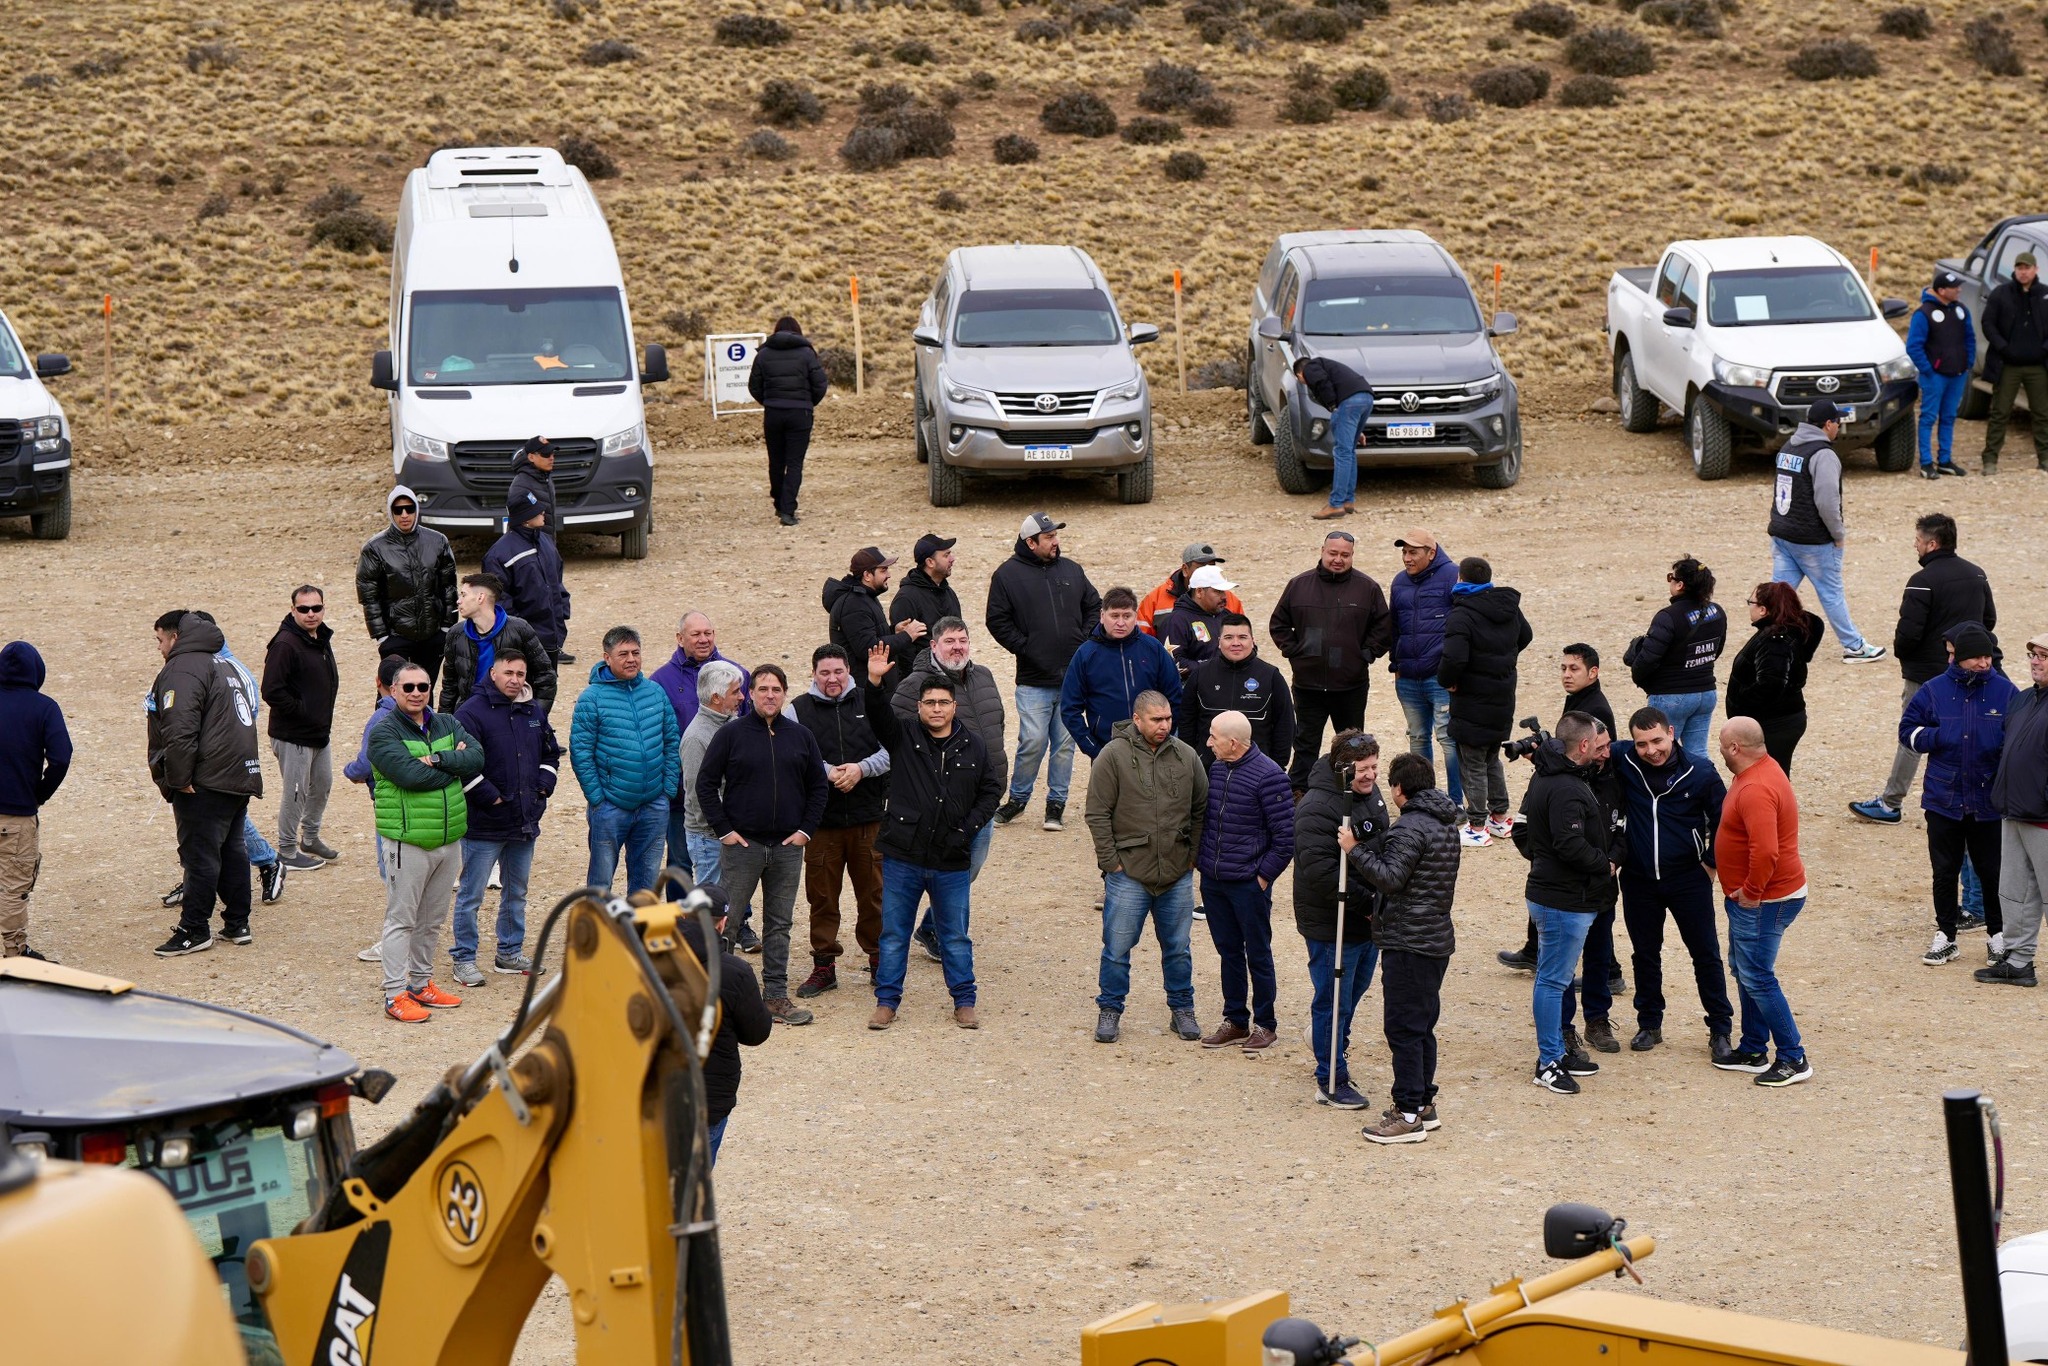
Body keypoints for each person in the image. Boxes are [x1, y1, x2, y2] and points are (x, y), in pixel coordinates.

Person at [862, 645, 1003, 1029]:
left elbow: (991, 791)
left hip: (951, 858)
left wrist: (967, 829)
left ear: (954, 706)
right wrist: (874, 680)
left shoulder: (974, 745)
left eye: (943, 702)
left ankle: (964, 1001)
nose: (936, 709)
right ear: (919, 707)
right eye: (929, 703)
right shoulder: (902, 736)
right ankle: (886, 1002)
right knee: (894, 934)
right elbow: (877, 714)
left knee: (954, 936)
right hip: (903, 856)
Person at [697, 663, 828, 1025]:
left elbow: (818, 787)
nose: (770, 695)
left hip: (788, 848)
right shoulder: (731, 734)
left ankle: (775, 996)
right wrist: (724, 830)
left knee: (779, 924)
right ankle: (720, 997)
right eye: (763, 689)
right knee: (727, 922)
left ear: (785, 694)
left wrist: (805, 831)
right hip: (743, 847)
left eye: (776, 689)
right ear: (751, 694)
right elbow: (705, 783)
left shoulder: (801, 736)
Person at [1345, 750, 1461, 1144]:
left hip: (1408, 941)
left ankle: (1408, 1112)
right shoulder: (1445, 823)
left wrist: (1354, 849)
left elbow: (1390, 878)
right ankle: (1423, 1104)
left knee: (1404, 1029)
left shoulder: (1409, 828)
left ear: (1398, 789)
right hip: (1434, 938)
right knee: (1422, 1026)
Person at [1852, 514, 1997, 825]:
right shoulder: (1977, 574)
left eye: (1918, 540)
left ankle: (1891, 803)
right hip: (1972, 673)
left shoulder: (1922, 581)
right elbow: (1988, 621)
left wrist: (1906, 657)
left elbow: (1908, 634)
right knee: (1973, 733)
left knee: (1913, 734)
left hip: (1925, 675)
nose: (1915, 546)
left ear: (1932, 544)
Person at [1086, 691, 1208, 1044]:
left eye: (1168, 718)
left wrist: (1192, 856)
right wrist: (1111, 863)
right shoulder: (1112, 756)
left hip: (1176, 871)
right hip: (1129, 874)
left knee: (1178, 949)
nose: (1164, 725)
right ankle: (1110, 1009)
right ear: (1137, 719)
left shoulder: (1186, 756)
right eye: (1156, 719)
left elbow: (1201, 808)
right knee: (1117, 949)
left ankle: (1182, 1009)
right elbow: (1097, 812)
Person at [1610, 707, 1732, 1058]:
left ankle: (1720, 1029)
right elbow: (1588, 746)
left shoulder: (1700, 771)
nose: (1651, 750)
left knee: (1705, 954)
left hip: (1688, 879)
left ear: (1672, 733)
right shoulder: (1624, 759)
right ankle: (1649, 1023)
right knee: (1645, 954)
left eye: (1657, 741)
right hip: (1639, 880)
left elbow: (1724, 819)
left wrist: (1711, 864)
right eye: (1642, 744)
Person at [369, 661, 483, 1022]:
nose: (417, 692)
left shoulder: (446, 722)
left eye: (423, 686)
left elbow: (477, 758)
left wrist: (435, 759)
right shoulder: (383, 733)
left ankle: (420, 984)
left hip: (448, 839)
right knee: (402, 919)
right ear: (393, 690)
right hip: (409, 841)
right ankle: (394, 994)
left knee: (432, 919)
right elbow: (410, 776)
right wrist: (454, 767)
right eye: (409, 687)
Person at [148, 612, 264, 957]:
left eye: (160, 640)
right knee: (232, 850)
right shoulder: (224, 664)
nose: (159, 649)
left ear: (175, 637)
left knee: (200, 856)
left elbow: (179, 728)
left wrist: (178, 779)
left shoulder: (183, 668)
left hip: (205, 779)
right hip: (238, 774)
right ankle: (237, 923)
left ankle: (194, 929)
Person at [1901, 622, 2015, 967]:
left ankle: (1997, 936)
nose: (1984, 662)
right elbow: (1907, 732)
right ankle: (1946, 936)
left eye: (1987, 656)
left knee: (1992, 872)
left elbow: (2017, 739)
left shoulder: (2006, 691)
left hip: (1987, 801)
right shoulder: (1933, 690)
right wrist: (1939, 737)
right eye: (1977, 657)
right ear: (1959, 658)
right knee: (1944, 872)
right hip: (1943, 800)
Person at [892, 618, 1007, 958]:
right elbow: (894, 739)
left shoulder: (984, 676)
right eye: (949, 641)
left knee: (969, 869)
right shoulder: (915, 686)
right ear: (934, 646)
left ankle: (931, 927)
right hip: (942, 802)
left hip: (984, 798)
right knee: (952, 872)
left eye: (962, 640)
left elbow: (996, 724)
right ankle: (948, 939)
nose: (958, 647)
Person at [1517, 712, 1616, 1095]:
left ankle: (1557, 1052)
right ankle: (1549, 1062)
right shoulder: (1567, 787)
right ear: (1585, 745)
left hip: (1557, 895)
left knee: (1553, 977)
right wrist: (1604, 865)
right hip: (1564, 900)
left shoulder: (1550, 776)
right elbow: (1569, 843)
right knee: (1552, 980)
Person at [450, 653, 559, 987]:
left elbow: (550, 753)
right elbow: (461, 765)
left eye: (520, 674)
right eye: (508, 672)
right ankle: (463, 959)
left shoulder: (533, 711)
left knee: (516, 892)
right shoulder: (470, 713)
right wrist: (491, 797)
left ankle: (509, 953)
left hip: (524, 821)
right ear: (493, 673)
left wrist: (543, 787)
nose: (515, 679)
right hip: (484, 825)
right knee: (471, 895)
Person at [1291, 731, 1388, 1108]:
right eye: (1363, 769)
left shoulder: (1369, 795)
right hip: (1332, 922)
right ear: (1343, 768)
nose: (1371, 775)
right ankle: (1331, 1077)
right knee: (1334, 1002)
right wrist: (1368, 902)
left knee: (1352, 994)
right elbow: (1321, 871)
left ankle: (1326, 1042)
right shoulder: (1316, 807)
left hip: (1367, 918)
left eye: (1375, 767)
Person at [1713, 717, 1812, 1087]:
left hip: (1765, 901)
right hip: (1762, 898)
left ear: (1735, 748)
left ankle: (1793, 1057)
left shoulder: (1755, 787)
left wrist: (1752, 892)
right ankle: (1754, 1048)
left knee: (1757, 975)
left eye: (1722, 746)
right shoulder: (1762, 770)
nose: (1720, 752)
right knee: (1746, 970)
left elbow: (1767, 851)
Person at [986, 512, 1099, 831]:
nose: (1055, 542)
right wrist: (1026, 647)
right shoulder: (1006, 575)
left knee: (1064, 746)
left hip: (1073, 680)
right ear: (1030, 542)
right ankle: (1018, 800)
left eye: (1055, 536)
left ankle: (1056, 805)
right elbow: (997, 620)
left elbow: (1094, 605)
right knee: (1033, 741)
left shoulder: (1072, 570)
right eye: (1049, 537)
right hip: (1034, 680)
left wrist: (1084, 640)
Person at [791, 645, 890, 999]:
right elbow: (793, 755)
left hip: (868, 820)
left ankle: (880, 961)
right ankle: (824, 966)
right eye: (824, 673)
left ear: (848, 670)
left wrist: (860, 770)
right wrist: (828, 772)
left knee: (874, 895)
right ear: (813, 674)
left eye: (838, 671)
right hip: (821, 823)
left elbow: (892, 749)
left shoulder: (871, 701)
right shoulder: (797, 710)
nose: (832, 679)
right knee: (821, 897)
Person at [1193, 711, 1295, 1053]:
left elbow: (1285, 839)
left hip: (1248, 885)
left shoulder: (1270, 776)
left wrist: (1262, 878)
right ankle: (1235, 1020)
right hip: (1215, 880)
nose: (1209, 742)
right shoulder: (1217, 768)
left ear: (1233, 743)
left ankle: (1266, 1024)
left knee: (1258, 953)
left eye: (1214, 737)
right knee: (1228, 951)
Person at [1269, 531, 1394, 793]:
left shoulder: (1367, 588)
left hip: (1350, 685)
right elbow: (1278, 624)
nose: (1338, 559)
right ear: (1322, 551)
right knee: (1305, 744)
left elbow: (1384, 628)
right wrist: (1295, 652)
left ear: (1352, 555)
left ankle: (1351, 793)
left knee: (1353, 745)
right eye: (1333, 553)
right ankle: (1299, 794)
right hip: (1308, 684)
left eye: (1345, 555)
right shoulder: (1299, 585)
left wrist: (1365, 655)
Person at [1767, 400, 1887, 664]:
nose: (1839, 427)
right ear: (1828, 424)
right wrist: (1838, 535)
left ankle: (1767, 641)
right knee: (1831, 593)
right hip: (1812, 540)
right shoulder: (1823, 454)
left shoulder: (1788, 447)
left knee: (1779, 594)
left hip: (1783, 533)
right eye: (1838, 422)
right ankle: (1854, 646)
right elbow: (1827, 502)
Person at [569, 626, 679, 897]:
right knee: (601, 882)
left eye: (635, 653)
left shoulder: (655, 692)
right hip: (610, 807)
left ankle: (639, 926)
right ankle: (598, 925)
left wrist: (667, 791)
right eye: (623, 654)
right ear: (607, 658)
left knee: (647, 884)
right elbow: (581, 752)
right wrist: (597, 798)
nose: (631, 659)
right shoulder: (591, 699)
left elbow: (671, 741)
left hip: (653, 804)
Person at [1438, 555, 1533, 847]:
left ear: (1461, 579)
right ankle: (1500, 818)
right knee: (1491, 758)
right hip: (1501, 697)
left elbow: (1454, 658)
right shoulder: (1507, 607)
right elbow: (1526, 635)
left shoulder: (1462, 613)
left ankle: (1477, 825)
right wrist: (1502, 659)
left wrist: (1446, 680)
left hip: (1472, 700)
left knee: (1473, 763)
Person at [679, 884, 772, 1164]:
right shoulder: (735, 972)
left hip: (650, 1099)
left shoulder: (643, 960)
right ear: (722, 923)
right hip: (708, 1100)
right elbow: (756, 1033)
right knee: (692, 1184)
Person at [651, 611, 748, 879]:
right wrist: (670, 781)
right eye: (696, 634)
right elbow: (656, 737)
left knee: (732, 872)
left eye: (708, 633)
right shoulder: (660, 682)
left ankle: (729, 910)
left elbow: (748, 725)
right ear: (680, 638)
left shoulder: (737, 674)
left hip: (731, 796)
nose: (704, 639)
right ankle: (681, 908)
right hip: (682, 794)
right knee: (680, 863)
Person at [1981, 631, 2048, 987]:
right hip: (2014, 810)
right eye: (2033, 655)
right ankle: (2019, 961)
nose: (2036, 661)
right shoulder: (2023, 699)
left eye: (2044, 656)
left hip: (2043, 817)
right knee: (2014, 891)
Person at [260, 585, 341, 874]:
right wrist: (303, 712)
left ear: (323, 608)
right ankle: (286, 850)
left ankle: (309, 838)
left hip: (319, 733)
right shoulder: (285, 644)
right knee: (296, 792)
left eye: (316, 608)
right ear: (293, 609)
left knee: (322, 784)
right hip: (293, 735)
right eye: (304, 609)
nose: (311, 614)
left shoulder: (320, 638)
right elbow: (271, 690)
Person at [0, 642, 71, 960]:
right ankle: (14, 953)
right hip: (17, 816)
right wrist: (39, 794)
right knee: (13, 885)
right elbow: (61, 757)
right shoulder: (44, 708)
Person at [1061, 586, 1183, 765]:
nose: (1120, 622)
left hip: (1152, 750)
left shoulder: (1153, 649)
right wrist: (1093, 749)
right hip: (1106, 751)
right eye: (1114, 615)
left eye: (1127, 616)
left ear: (1135, 616)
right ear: (1102, 616)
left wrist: (1164, 737)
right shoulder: (1086, 654)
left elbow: (1175, 696)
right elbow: (1069, 708)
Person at [679, 659, 754, 950]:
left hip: (727, 832)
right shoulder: (697, 737)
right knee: (709, 907)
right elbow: (698, 794)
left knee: (727, 901)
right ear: (716, 697)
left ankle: (723, 950)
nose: (742, 697)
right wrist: (722, 830)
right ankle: (704, 955)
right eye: (736, 691)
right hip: (710, 836)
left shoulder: (732, 725)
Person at [355, 485, 460, 688]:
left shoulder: (438, 541)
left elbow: (448, 587)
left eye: (409, 508)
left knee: (424, 691)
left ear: (416, 510)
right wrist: (382, 636)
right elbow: (368, 594)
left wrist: (446, 627)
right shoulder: (375, 548)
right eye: (398, 510)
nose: (404, 515)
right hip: (395, 636)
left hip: (433, 634)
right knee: (392, 692)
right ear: (390, 512)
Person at [1625, 557, 1726, 759]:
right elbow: (1716, 650)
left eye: (1671, 577)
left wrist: (1641, 679)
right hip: (1706, 691)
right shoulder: (1717, 612)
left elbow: (1647, 660)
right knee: (1698, 754)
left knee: (1661, 754)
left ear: (1680, 585)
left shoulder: (1668, 616)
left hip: (1672, 694)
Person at [344, 653, 410, 962]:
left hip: (391, 807)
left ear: (378, 683)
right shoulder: (427, 714)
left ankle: (396, 941)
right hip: (425, 806)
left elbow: (364, 764)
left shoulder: (381, 719)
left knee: (393, 873)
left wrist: (349, 771)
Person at [1389, 530, 1461, 806]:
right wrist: (1396, 665)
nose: (1407, 558)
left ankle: (1455, 803)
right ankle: (1422, 801)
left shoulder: (1453, 576)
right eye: (1404, 552)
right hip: (1408, 677)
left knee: (1448, 739)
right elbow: (1394, 627)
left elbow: (1463, 628)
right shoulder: (1399, 582)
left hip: (1440, 678)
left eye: (1413, 552)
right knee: (1418, 738)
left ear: (1431, 553)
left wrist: (1454, 671)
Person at [1724, 583, 1825, 774]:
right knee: (1772, 776)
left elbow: (1771, 684)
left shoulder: (1774, 642)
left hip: (1773, 725)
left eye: (1751, 602)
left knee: (1767, 778)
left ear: (1763, 610)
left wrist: (1742, 700)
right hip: (1782, 720)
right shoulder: (1788, 630)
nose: (1749, 607)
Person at [1179, 613, 1295, 766]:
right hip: (1208, 769)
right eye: (1228, 637)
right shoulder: (1201, 675)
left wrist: (1276, 765)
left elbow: (1285, 725)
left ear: (1252, 641)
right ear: (1219, 642)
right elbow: (1186, 721)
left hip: (1256, 769)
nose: (1236, 643)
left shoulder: (1271, 676)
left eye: (1242, 637)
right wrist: (1192, 761)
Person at [747, 314, 829, 525]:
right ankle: (788, 510)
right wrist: (808, 403)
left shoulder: (763, 354)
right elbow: (820, 384)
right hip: (800, 414)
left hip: (773, 413)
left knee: (776, 461)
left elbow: (754, 386)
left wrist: (769, 401)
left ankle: (778, 503)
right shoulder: (807, 353)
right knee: (794, 463)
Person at [439, 573, 558, 714]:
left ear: (480, 597)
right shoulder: (456, 634)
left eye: (463, 595)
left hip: (511, 715)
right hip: (470, 716)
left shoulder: (520, 629)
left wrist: (535, 716)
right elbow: (449, 685)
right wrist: (444, 723)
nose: (458, 601)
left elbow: (546, 676)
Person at [1979, 250, 2048, 473]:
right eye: (2019, 268)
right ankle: (1990, 460)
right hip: (2007, 365)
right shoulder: (2001, 294)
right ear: (2014, 270)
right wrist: (2003, 347)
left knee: (2042, 413)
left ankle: (2045, 458)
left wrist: (2044, 349)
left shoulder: (2045, 294)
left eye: (2027, 268)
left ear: (2036, 270)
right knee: (2000, 412)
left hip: (2038, 366)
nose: (2023, 272)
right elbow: (1988, 323)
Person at [483, 492, 570, 664]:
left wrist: (562, 613)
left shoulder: (546, 541)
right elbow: (500, 602)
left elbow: (557, 580)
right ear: (525, 519)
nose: (543, 512)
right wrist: (521, 634)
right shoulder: (498, 555)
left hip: (552, 637)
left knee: (549, 681)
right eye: (537, 511)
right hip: (523, 644)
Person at [825, 547, 925, 694]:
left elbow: (868, 635)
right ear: (867, 575)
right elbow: (867, 648)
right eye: (883, 570)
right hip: (864, 692)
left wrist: (894, 631)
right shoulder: (854, 604)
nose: (889, 575)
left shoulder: (865, 598)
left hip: (874, 688)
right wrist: (906, 636)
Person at [1908, 270, 1976, 477]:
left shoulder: (1961, 310)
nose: (1959, 290)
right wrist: (1928, 370)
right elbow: (1913, 346)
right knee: (1929, 417)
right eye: (1955, 287)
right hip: (1935, 376)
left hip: (1957, 374)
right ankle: (1926, 463)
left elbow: (1970, 338)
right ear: (1942, 290)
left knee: (1949, 417)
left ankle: (1945, 460)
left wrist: (1968, 363)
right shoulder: (1924, 313)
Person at [1292, 353, 1373, 520]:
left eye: (1300, 379)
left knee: (1342, 453)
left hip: (1349, 402)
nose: (1303, 382)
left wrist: (1333, 407)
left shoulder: (1309, 367)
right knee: (1349, 451)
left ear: (1299, 374)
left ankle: (1335, 504)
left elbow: (1322, 382)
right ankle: (1348, 501)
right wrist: (1354, 430)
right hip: (1366, 398)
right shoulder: (1327, 366)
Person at [888, 533, 961, 671]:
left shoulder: (948, 593)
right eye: (946, 555)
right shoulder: (906, 598)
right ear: (930, 562)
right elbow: (904, 651)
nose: (952, 559)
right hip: (922, 678)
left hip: (951, 674)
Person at [1139, 542, 1243, 638]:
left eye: (1212, 566)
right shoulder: (1155, 600)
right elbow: (1141, 641)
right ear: (1185, 569)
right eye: (1201, 567)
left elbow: (1242, 637)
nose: (1207, 572)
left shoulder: (1229, 600)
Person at [1157, 565, 1239, 677]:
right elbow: (1172, 663)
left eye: (1224, 591)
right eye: (1218, 591)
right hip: (1194, 686)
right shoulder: (1176, 621)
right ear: (1199, 592)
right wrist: (1214, 668)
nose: (1224, 597)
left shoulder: (1228, 616)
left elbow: (1249, 648)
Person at [506, 434, 559, 535]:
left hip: (545, 542)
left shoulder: (546, 478)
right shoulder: (521, 484)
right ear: (531, 457)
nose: (551, 458)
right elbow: (518, 527)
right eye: (546, 454)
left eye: (553, 454)